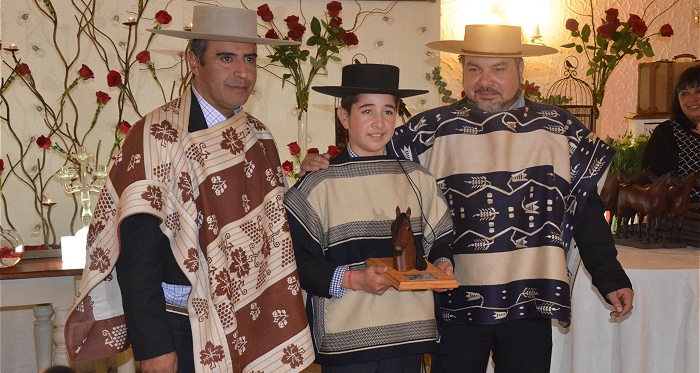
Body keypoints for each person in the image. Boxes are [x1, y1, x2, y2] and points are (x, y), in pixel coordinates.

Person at [301, 24, 634, 373]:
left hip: (529, 302)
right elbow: (371, 158)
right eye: (474, 68)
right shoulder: (431, 130)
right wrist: (324, 162)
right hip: (454, 303)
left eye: (498, 69)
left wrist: (610, 278)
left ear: (521, 70)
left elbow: (585, 212)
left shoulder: (558, 130)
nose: (484, 80)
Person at [64, 6, 313, 373]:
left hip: (251, 323)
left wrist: (312, 176)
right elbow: (137, 256)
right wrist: (153, 347)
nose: (242, 73)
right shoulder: (158, 137)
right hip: (181, 329)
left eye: (250, 59)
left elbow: (272, 237)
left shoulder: (260, 138)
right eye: (226, 58)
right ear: (193, 61)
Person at [284, 63, 455, 372]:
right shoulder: (319, 183)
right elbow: (292, 260)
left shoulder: (417, 178)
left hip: (406, 333)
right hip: (346, 338)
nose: (379, 123)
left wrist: (443, 262)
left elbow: (440, 237)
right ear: (344, 116)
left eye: (388, 111)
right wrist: (352, 279)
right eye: (367, 111)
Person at [642, 64, 700, 203]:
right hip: (681, 220)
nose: (692, 99)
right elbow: (650, 183)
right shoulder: (666, 133)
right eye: (684, 93)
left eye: (698, 91)